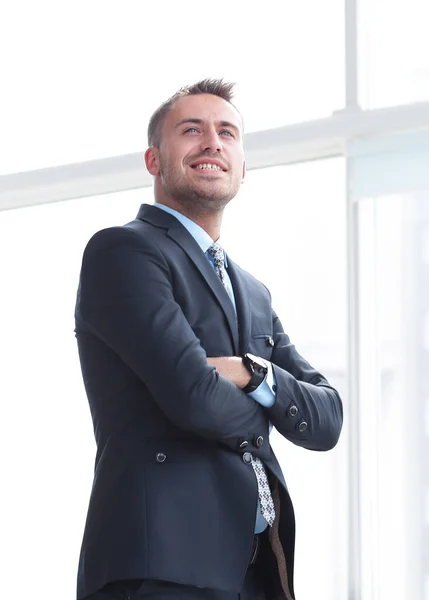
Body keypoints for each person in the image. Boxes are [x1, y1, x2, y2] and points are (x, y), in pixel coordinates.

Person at [74, 78, 343, 600]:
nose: (212, 143)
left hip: (257, 570)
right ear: (154, 160)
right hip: (162, 567)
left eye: (227, 133)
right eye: (191, 130)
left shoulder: (254, 291)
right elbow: (193, 398)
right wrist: (274, 408)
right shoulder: (124, 252)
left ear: (243, 166)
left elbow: (327, 419)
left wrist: (250, 374)